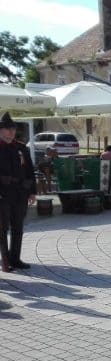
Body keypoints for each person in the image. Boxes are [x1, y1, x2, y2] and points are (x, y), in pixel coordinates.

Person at [0, 112, 36, 272]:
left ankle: (15, 258)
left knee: (18, 227)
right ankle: (5, 261)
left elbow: (30, 171)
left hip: (20, 193)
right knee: (2, 229)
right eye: (8, 129)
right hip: (3, 194)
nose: (11, 132)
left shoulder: (21, 148)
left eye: (13, 129)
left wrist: (32, 192)